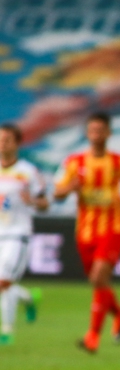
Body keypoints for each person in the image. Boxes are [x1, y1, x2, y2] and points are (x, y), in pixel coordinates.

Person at [53, 112, 120, 354]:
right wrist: (70, 187)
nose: (96, 135)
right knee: (98, 281)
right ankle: (119, 313)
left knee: (98, 277)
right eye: (92, 131)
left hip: (113, 227)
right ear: (87, 133)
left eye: (100, 130)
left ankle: (92, 336)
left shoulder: (119, 161)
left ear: (109, 133)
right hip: (85, 231)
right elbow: (57, 194)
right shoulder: (74, 162)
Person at [0, 123, 46, 345]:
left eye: (7, 140)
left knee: (3, 280)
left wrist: (33, 201)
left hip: (17, 234)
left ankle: (7, 331)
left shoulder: (28, 171)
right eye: (0, 140)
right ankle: (28, 297)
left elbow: (45, 203)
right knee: (4, 283)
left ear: (17, 143)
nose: (2, 144)